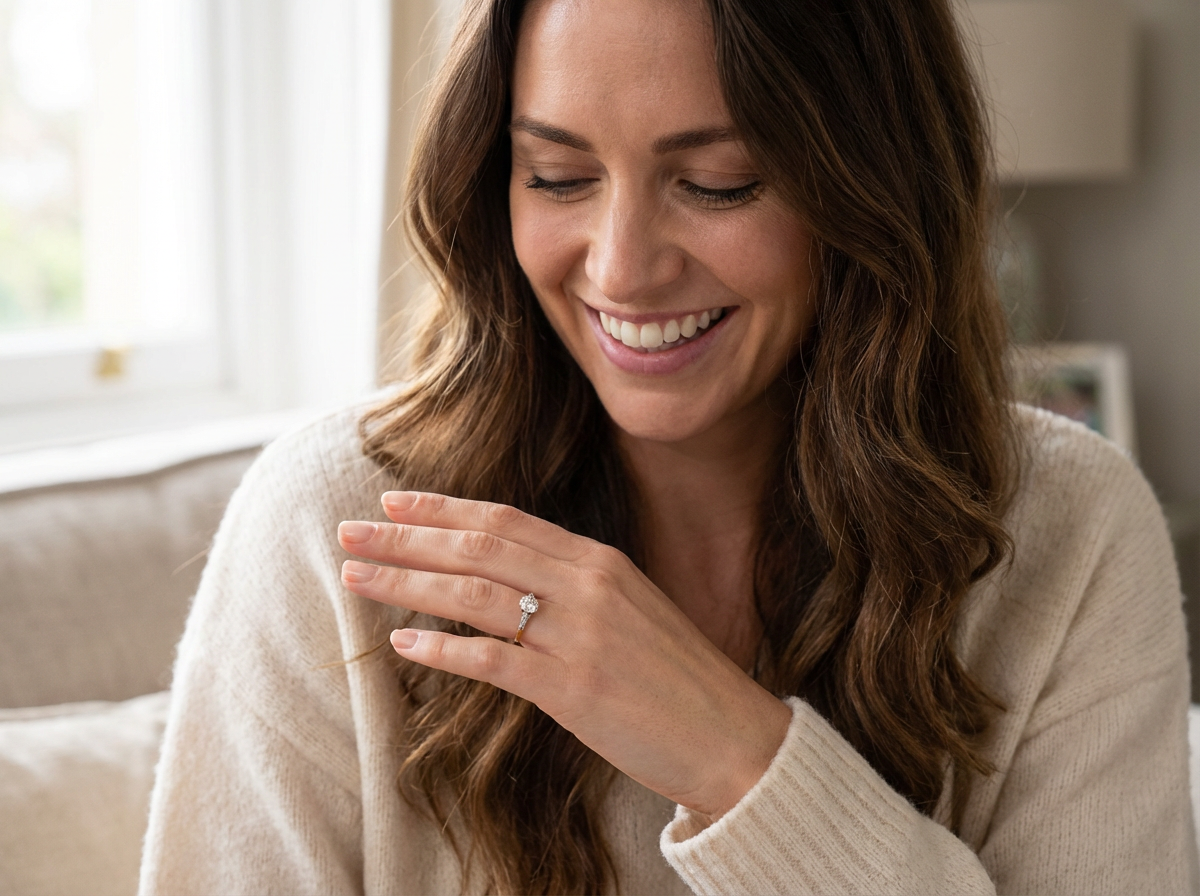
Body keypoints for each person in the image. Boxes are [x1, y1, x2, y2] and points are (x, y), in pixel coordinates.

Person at [138, 0, 1198, 893]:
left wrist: (738, 757)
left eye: (721, 182)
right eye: (556, 176)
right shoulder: (336, 523)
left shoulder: (1069, 529)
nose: (624, 268)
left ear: (871, 184)